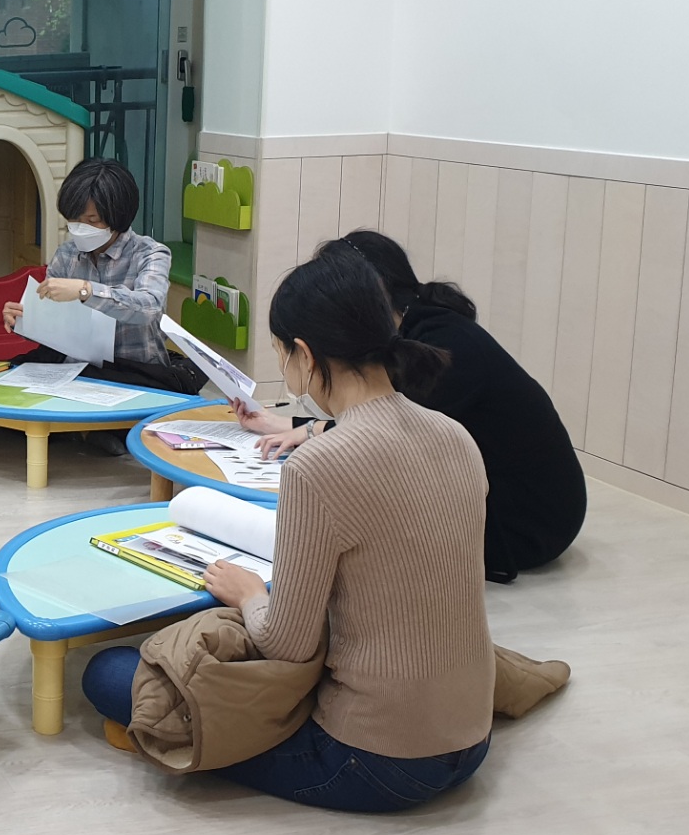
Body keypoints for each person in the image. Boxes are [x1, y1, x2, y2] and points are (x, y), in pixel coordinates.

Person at [82, 246, 496, 813]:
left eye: (281, 353)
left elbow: (285, 643)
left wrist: (250, 595)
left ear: (304, 354)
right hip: (472, 737)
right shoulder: (456, 436)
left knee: (108, 673)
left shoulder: (319, 465)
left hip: (375, 760)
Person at [238, 230, 586, 583]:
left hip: (526, 523)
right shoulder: (417, 327)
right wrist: (294, 425)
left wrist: (308, 431)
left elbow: (387, 428)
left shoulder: (445, 346)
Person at [1, 157, 203, 449]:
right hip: (76, 367)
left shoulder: (150, 253)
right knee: (7, 388)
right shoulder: (67, 255)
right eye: (74, 220)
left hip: (133, 369)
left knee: (139, 402)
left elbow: (148, 307)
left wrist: (86, 290)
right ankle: (88, 430)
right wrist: (25, 318)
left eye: (92, 221)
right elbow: (52, 323)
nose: (81, 228)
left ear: (118, 216)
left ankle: (86, 430)